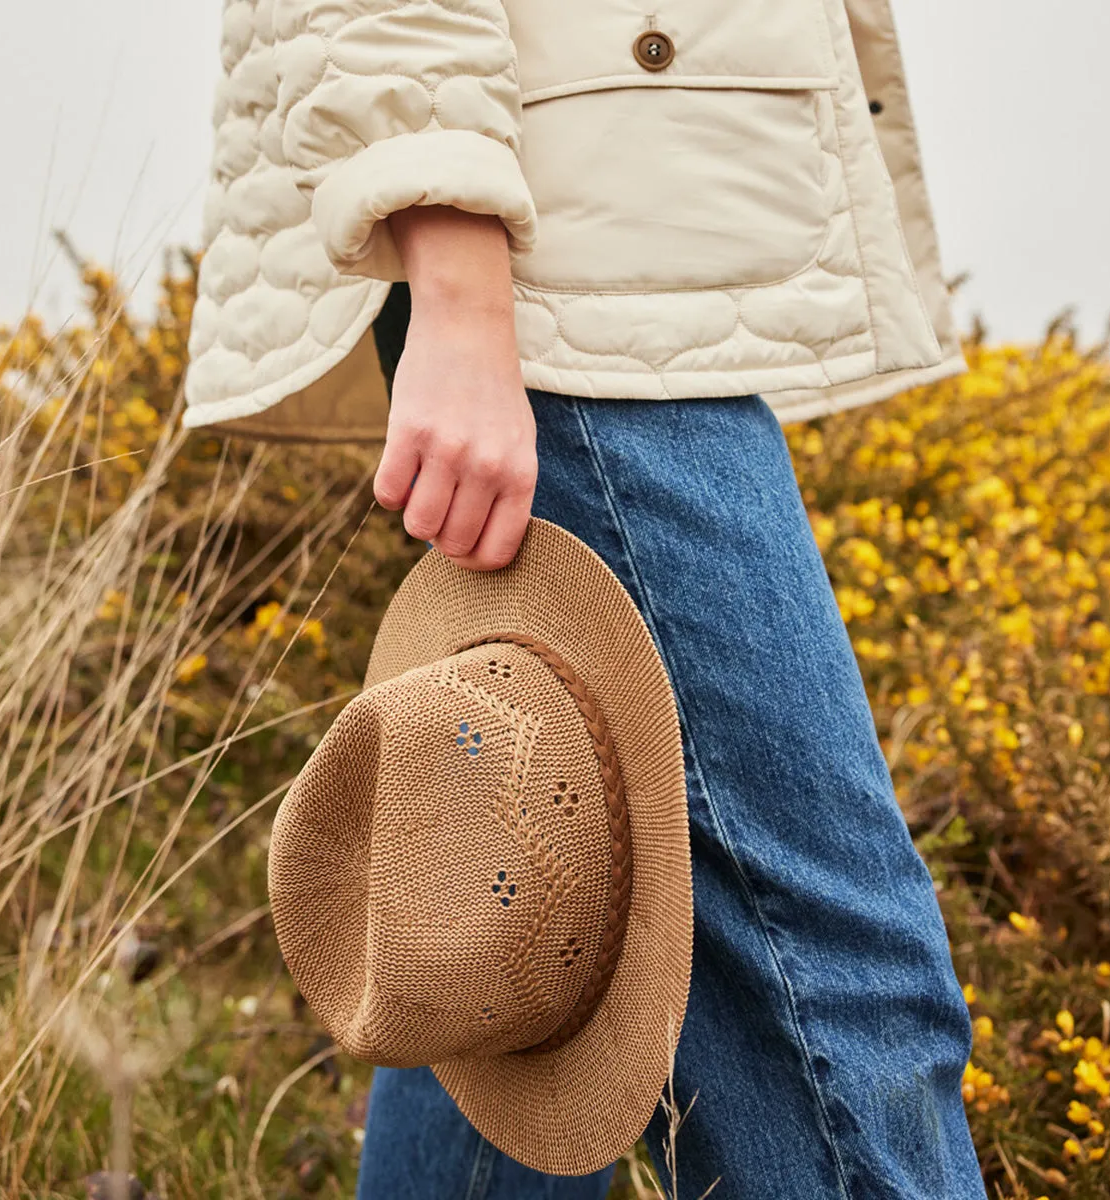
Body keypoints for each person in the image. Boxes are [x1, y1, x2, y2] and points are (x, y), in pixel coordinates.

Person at [185, 1, 988, 1196]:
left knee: (502, 910)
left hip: (606, 237)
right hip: (560, 265)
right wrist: (457, 275)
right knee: (834, 993)